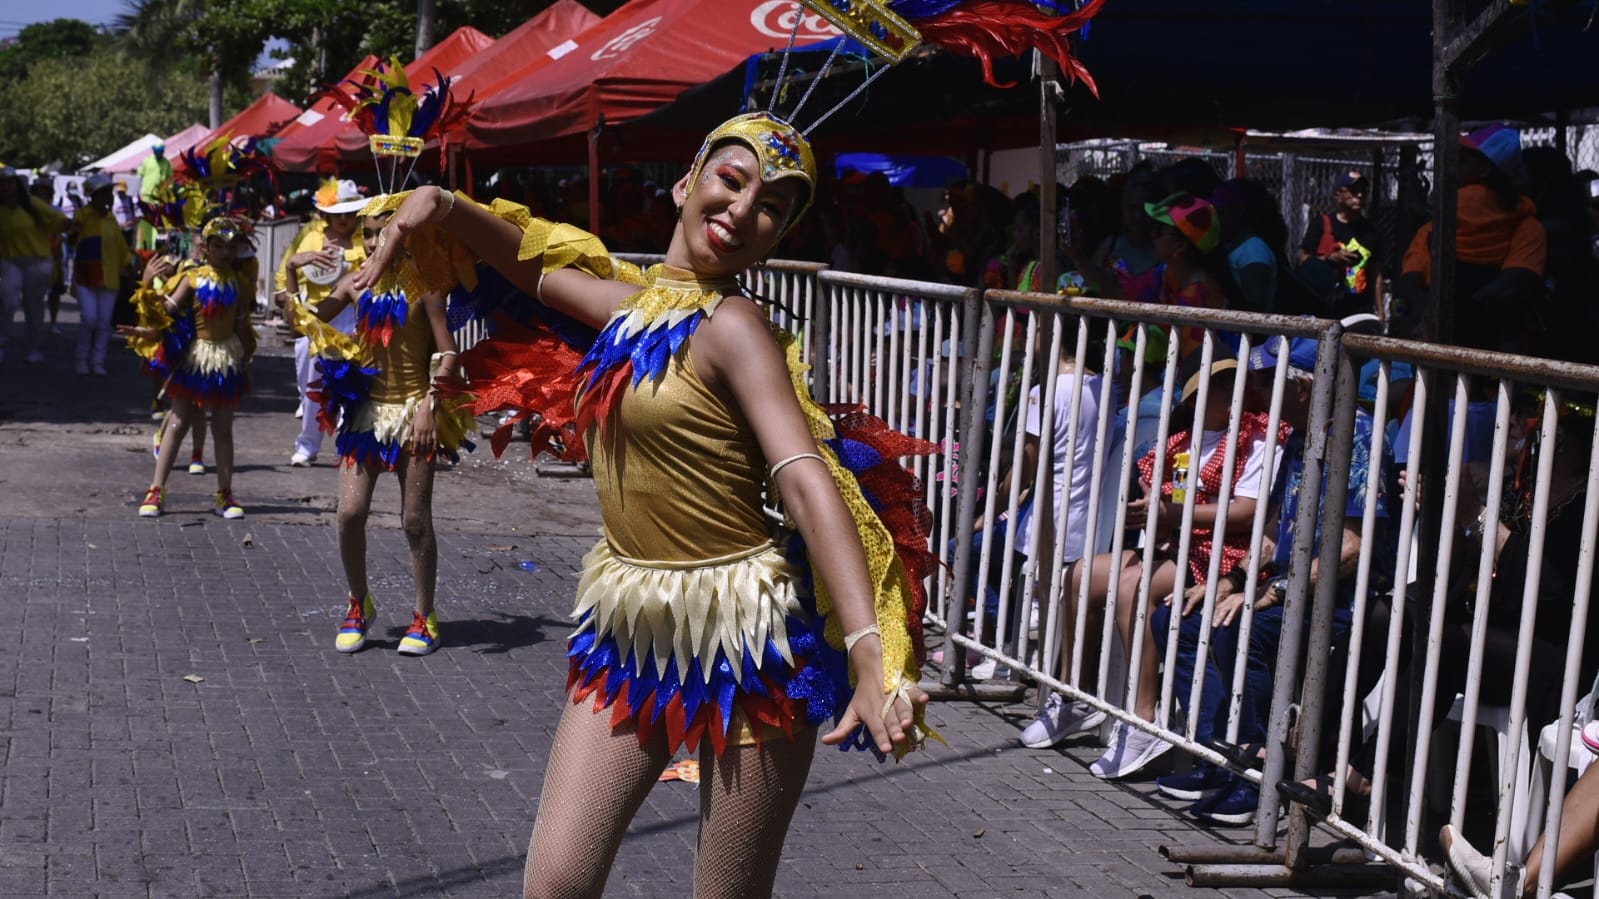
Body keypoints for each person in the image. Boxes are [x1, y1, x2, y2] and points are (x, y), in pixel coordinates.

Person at [354, 111, 932, 898]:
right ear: (685, 184)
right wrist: (441, 205)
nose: (742, 209)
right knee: (555, 881)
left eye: (772, 204)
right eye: (732, 180)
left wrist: (870, 650)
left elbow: (803, 473)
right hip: (631, 624)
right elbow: (526, 264)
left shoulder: (735, 327)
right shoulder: (632, 311)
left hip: (747, 640)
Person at [1072, 358, 1286, 781]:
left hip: (1227, 555)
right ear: (1192, 401)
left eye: (1232, 382)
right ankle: (1071, 693)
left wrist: (1169, 511)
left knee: (1141, 592)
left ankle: (1145, 715)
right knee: (1079, 574)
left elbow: (1245, 514)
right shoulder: (1182, 442)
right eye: (1215, 385)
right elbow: (1165, 485)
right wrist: (1156, 505)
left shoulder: (1255, 436)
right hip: (1190, 547)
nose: (1227, 392)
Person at [289, 206, 472, 658]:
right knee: (350, 512)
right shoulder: (355, 282)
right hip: (364, 411)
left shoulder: (427, 287)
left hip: (414, 411)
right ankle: (358, 603)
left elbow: (449, 354)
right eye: (368, 235)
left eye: (381, 234)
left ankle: (424, 616)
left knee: (414, 519)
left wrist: (430, 404)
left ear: (405, 236)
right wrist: (291, 278)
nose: (372, 244)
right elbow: (309, 320)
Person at [125, 215, 256, 519]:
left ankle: (225, 494)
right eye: (218, 245)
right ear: (206, 246)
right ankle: (156, 490)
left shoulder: (240, 284)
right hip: (194, 360)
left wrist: (247, 361)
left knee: (223, 429)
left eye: (231, 246)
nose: (224, 252)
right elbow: (166, 312)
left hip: (227, 361)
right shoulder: (192, 278)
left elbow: (242, 328)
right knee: (178, 421)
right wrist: (145, 284)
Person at [1396, 125, 1546, 350]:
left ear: (1484, 169)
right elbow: (1515, 283)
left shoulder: (1436, 223)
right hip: (1495, 354)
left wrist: (1436, 312)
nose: (1453, 167)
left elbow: (1410, 279)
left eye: (1462, 160)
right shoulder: (1528, 225)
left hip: (1441, 343)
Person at [274, 179, 367, 467]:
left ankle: (350, 445)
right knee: (312, 387)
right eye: (338, 212)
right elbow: (282, 284)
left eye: (350, 212)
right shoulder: (310, 238)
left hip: (355, 319)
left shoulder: (367, 239)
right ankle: (307, 446)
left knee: (355, 385)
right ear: (327, 213)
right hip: (316, 317)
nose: (344, 218)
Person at [0, 168, 69, 365]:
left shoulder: (31, 204)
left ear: (17, 185)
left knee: (33, 306)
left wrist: (70, 226)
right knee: (7, 301)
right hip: (10, 261)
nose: (6, 188)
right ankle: (2, 342)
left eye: (10, 183)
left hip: (37, 261)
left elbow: (57, 219)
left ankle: (34, 348)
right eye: (2, 184)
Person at [71, 174, 136, 377]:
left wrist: (131, 265)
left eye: (110, 192)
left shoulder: (111, 219)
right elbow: (72, 241)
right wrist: (74, 232)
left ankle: (97, 360)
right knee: (89, 319)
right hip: (86, 277)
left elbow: (121, 248)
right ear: (93, 196)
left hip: (109, 277)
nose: (109, 197)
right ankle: (81, 359)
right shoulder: (82, 215)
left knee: (104, 323)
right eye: (105, 193)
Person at [1298, 171, 1382, 319]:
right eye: (1354, 191)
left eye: (1363, 191)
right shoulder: (1321, 224)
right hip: (1325, 307)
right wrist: (1331, 258)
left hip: (1360, 309)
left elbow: (1376, 273)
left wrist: (1380, 311)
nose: (1360, 195)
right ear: (1338, 196)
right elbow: (1303, 260)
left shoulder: (1371, 231)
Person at [136, 142, 174, 252]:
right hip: (146, 198)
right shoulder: (147, 161)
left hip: (160, 200)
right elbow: (139, 177)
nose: (159, 153)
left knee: (159, 226)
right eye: (157, 151)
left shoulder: (167, 163)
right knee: (145, 224)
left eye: (161, 151)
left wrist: (166, 192)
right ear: (153, 151)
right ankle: (142, 249)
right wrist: (138, 194)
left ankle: (156, 249)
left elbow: (170, 181)